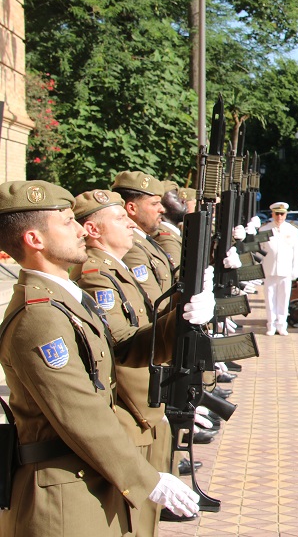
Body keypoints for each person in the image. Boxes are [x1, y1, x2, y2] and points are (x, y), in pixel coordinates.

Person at [0, 180, 201, 536]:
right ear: (34, 239)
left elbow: (123, 348)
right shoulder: (39, 316)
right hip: (62, 496)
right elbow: (79, 413)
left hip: (87, 477)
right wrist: (145, 477)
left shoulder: (65, 299)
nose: (81, 230)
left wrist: (184, 317)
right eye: (67, 222)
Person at [70, 189, 216, 532]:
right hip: (133, 407)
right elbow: (122, 345)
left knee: (145, 519)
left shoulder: (114, 269)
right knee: (133, 518)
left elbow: (149, 317)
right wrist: (181, 316)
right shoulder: (95, 274)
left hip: (147, 404)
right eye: (120, 218)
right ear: (93, 229)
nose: (130, 224)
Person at [111, 171, 173, 310]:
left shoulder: (144, 240)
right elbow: (156, 307)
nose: (162, 209)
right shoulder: (131, 246)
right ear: (132, 208)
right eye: (155, 204)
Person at [259, 201, 298, 335]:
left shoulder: (292, 230)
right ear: (272, 214)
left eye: (282, 214)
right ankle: (271, 324)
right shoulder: (264, 230)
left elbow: (296, 252)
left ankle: (282, 324)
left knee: (284, 298)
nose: (279, 217)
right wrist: (259, 270)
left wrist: (295, 270)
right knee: (270, 298)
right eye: (277, 214)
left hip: (285, 269)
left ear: (286, 215)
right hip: (269, 269)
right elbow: (259, 252)